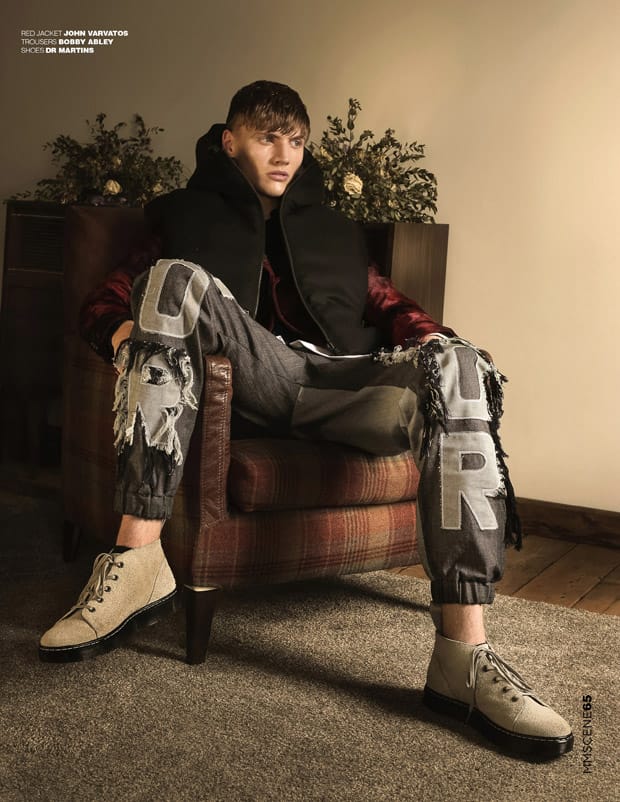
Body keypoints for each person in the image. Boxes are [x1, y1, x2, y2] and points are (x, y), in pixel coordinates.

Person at [39, 80, 573, 758]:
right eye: (268, 138)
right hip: (260, 379)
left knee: (459, 362)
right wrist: (133, 345)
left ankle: (462, 659)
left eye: (295, 140)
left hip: (346, 384)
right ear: (230, 142)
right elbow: (107, 300)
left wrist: (438, 345)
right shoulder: (179, 215)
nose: (284, 154)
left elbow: (393, 307)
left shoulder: (334, 231)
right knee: (172, 277)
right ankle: (138, 558)